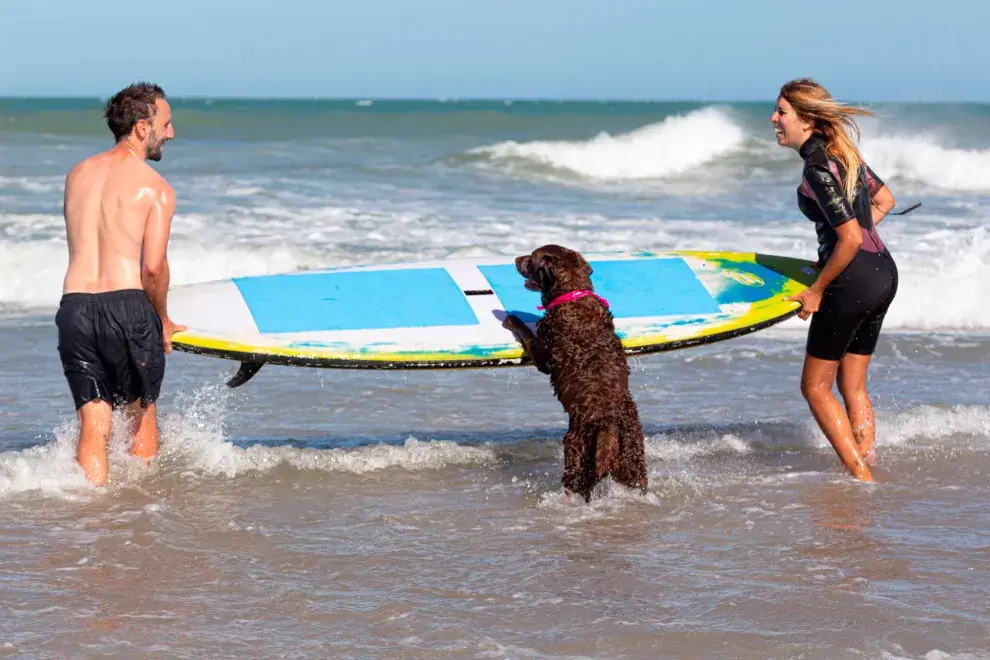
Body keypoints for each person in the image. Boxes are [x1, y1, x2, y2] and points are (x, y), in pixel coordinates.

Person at [56, 82, 186, 486]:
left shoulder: (78, 174)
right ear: (143, 128)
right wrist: (162, 317)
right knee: (142, 418)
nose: (171, 133)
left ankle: (94, 516)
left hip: (75, 310)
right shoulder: (157, 189)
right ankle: (136, 521)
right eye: (166, 124)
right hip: (127, 309)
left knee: (94, 427)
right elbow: (152, 268)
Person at [770, 78, 899, 483]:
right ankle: (867, 465)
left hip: (853, 281)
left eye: (782, 112)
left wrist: (817, 289)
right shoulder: (845, 154)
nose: (774, 118)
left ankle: (860, 476)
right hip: (883, 273)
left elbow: (849, 237)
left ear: (806, 120)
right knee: (853, 386)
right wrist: (846, 249)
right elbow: (885, 200)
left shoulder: (816, 166)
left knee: (815, 387)